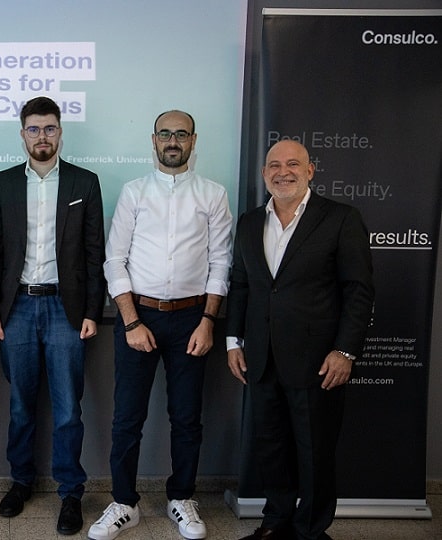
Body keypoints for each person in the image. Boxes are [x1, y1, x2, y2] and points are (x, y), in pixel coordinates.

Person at [89, 110, 233, 540]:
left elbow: (221, 262)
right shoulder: (134, 192)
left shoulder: (213, 194)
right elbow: (114, 260)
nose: (173, 141)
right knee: (127, 418)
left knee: (186, 417)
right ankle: (123, 503)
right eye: (165, 134)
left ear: (193, 140)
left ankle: (181, 497)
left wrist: (208, 321)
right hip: (139, 316)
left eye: (181, 134)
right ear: (153, 140)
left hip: (193, 319)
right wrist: (131, 320)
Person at [225, 140, 374, 540]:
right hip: (261, 357)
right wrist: (233, 341)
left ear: (310, 171)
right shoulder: (250, 222)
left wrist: (345, 351)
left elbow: (358, 291)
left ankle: (310, 530)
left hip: (318, 359)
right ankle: (275, 523)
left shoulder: (340, 218)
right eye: (274, 165)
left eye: (293, 164)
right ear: (264, 174)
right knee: (271, 446)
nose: (283, 171)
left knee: (314, 450)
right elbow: (241, 284)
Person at [0, 96, 106, 536]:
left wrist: (92, 311)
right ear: (22, 134)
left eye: (49, 128)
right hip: (16, 307)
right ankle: (21, 481)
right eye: (34, 129)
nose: (42, 136)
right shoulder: (2, 184)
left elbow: (94, 252)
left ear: (60, 132)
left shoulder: (84, 182)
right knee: (20, 404)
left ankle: (70, 492)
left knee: (68, 408)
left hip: (65, 309)